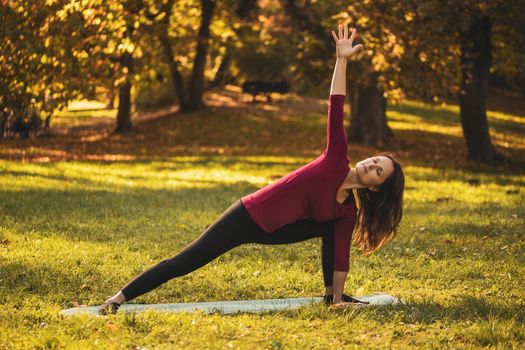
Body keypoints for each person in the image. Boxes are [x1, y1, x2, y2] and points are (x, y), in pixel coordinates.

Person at [99, 23, 405, 315]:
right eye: (376, 160)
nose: (372, 164)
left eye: (379, 172)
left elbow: (341, 256)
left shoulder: (347, 210)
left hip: (277, 230)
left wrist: (339, 297)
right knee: (189, 259)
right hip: (249, 215)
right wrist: (341, 60)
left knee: (331, 227)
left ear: (376, 187)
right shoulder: (336, 159)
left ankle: (332, 298)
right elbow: (335, 105)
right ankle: (119, 297)